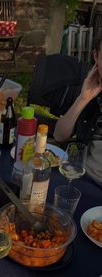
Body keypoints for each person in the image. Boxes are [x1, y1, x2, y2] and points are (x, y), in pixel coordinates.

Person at [54, 28, 102, 185]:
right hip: (85, 181)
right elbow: (59, 135)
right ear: (96, 56)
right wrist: (83, 98)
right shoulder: (93, 95)